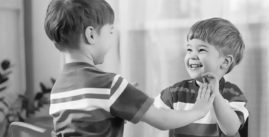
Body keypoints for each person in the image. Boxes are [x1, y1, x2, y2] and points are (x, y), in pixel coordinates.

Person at [44, 0, 216, 136]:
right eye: (111, 31)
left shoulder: (58, 89)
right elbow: (162, 120)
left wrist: (119, 105)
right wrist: (198, 111)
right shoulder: (109, 85)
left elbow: (85, 126)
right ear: (91, 35)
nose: (113, 38)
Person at [154, 18, 249, 137]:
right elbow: (152, 114)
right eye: (189, 49)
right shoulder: (175, 93)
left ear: (225, 62)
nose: (192, 55)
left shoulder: (232, 93)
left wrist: (216, 95)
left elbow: (231, 129)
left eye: (201, 50)